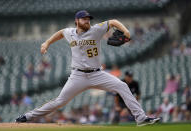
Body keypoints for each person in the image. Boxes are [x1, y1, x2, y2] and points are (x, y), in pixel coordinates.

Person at [15, 10, 160, 126]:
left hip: (98, 74)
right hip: (77, 76)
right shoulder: (70, 32)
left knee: (122, 86)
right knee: (60, 101)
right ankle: (27, 116)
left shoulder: (96, 30)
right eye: (84, 19)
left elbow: (114, 22)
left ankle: (141, 118)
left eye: (88, 19)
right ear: (77, 21)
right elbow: (60, 32)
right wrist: (46, 43)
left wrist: (126, 31)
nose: (87, 21)